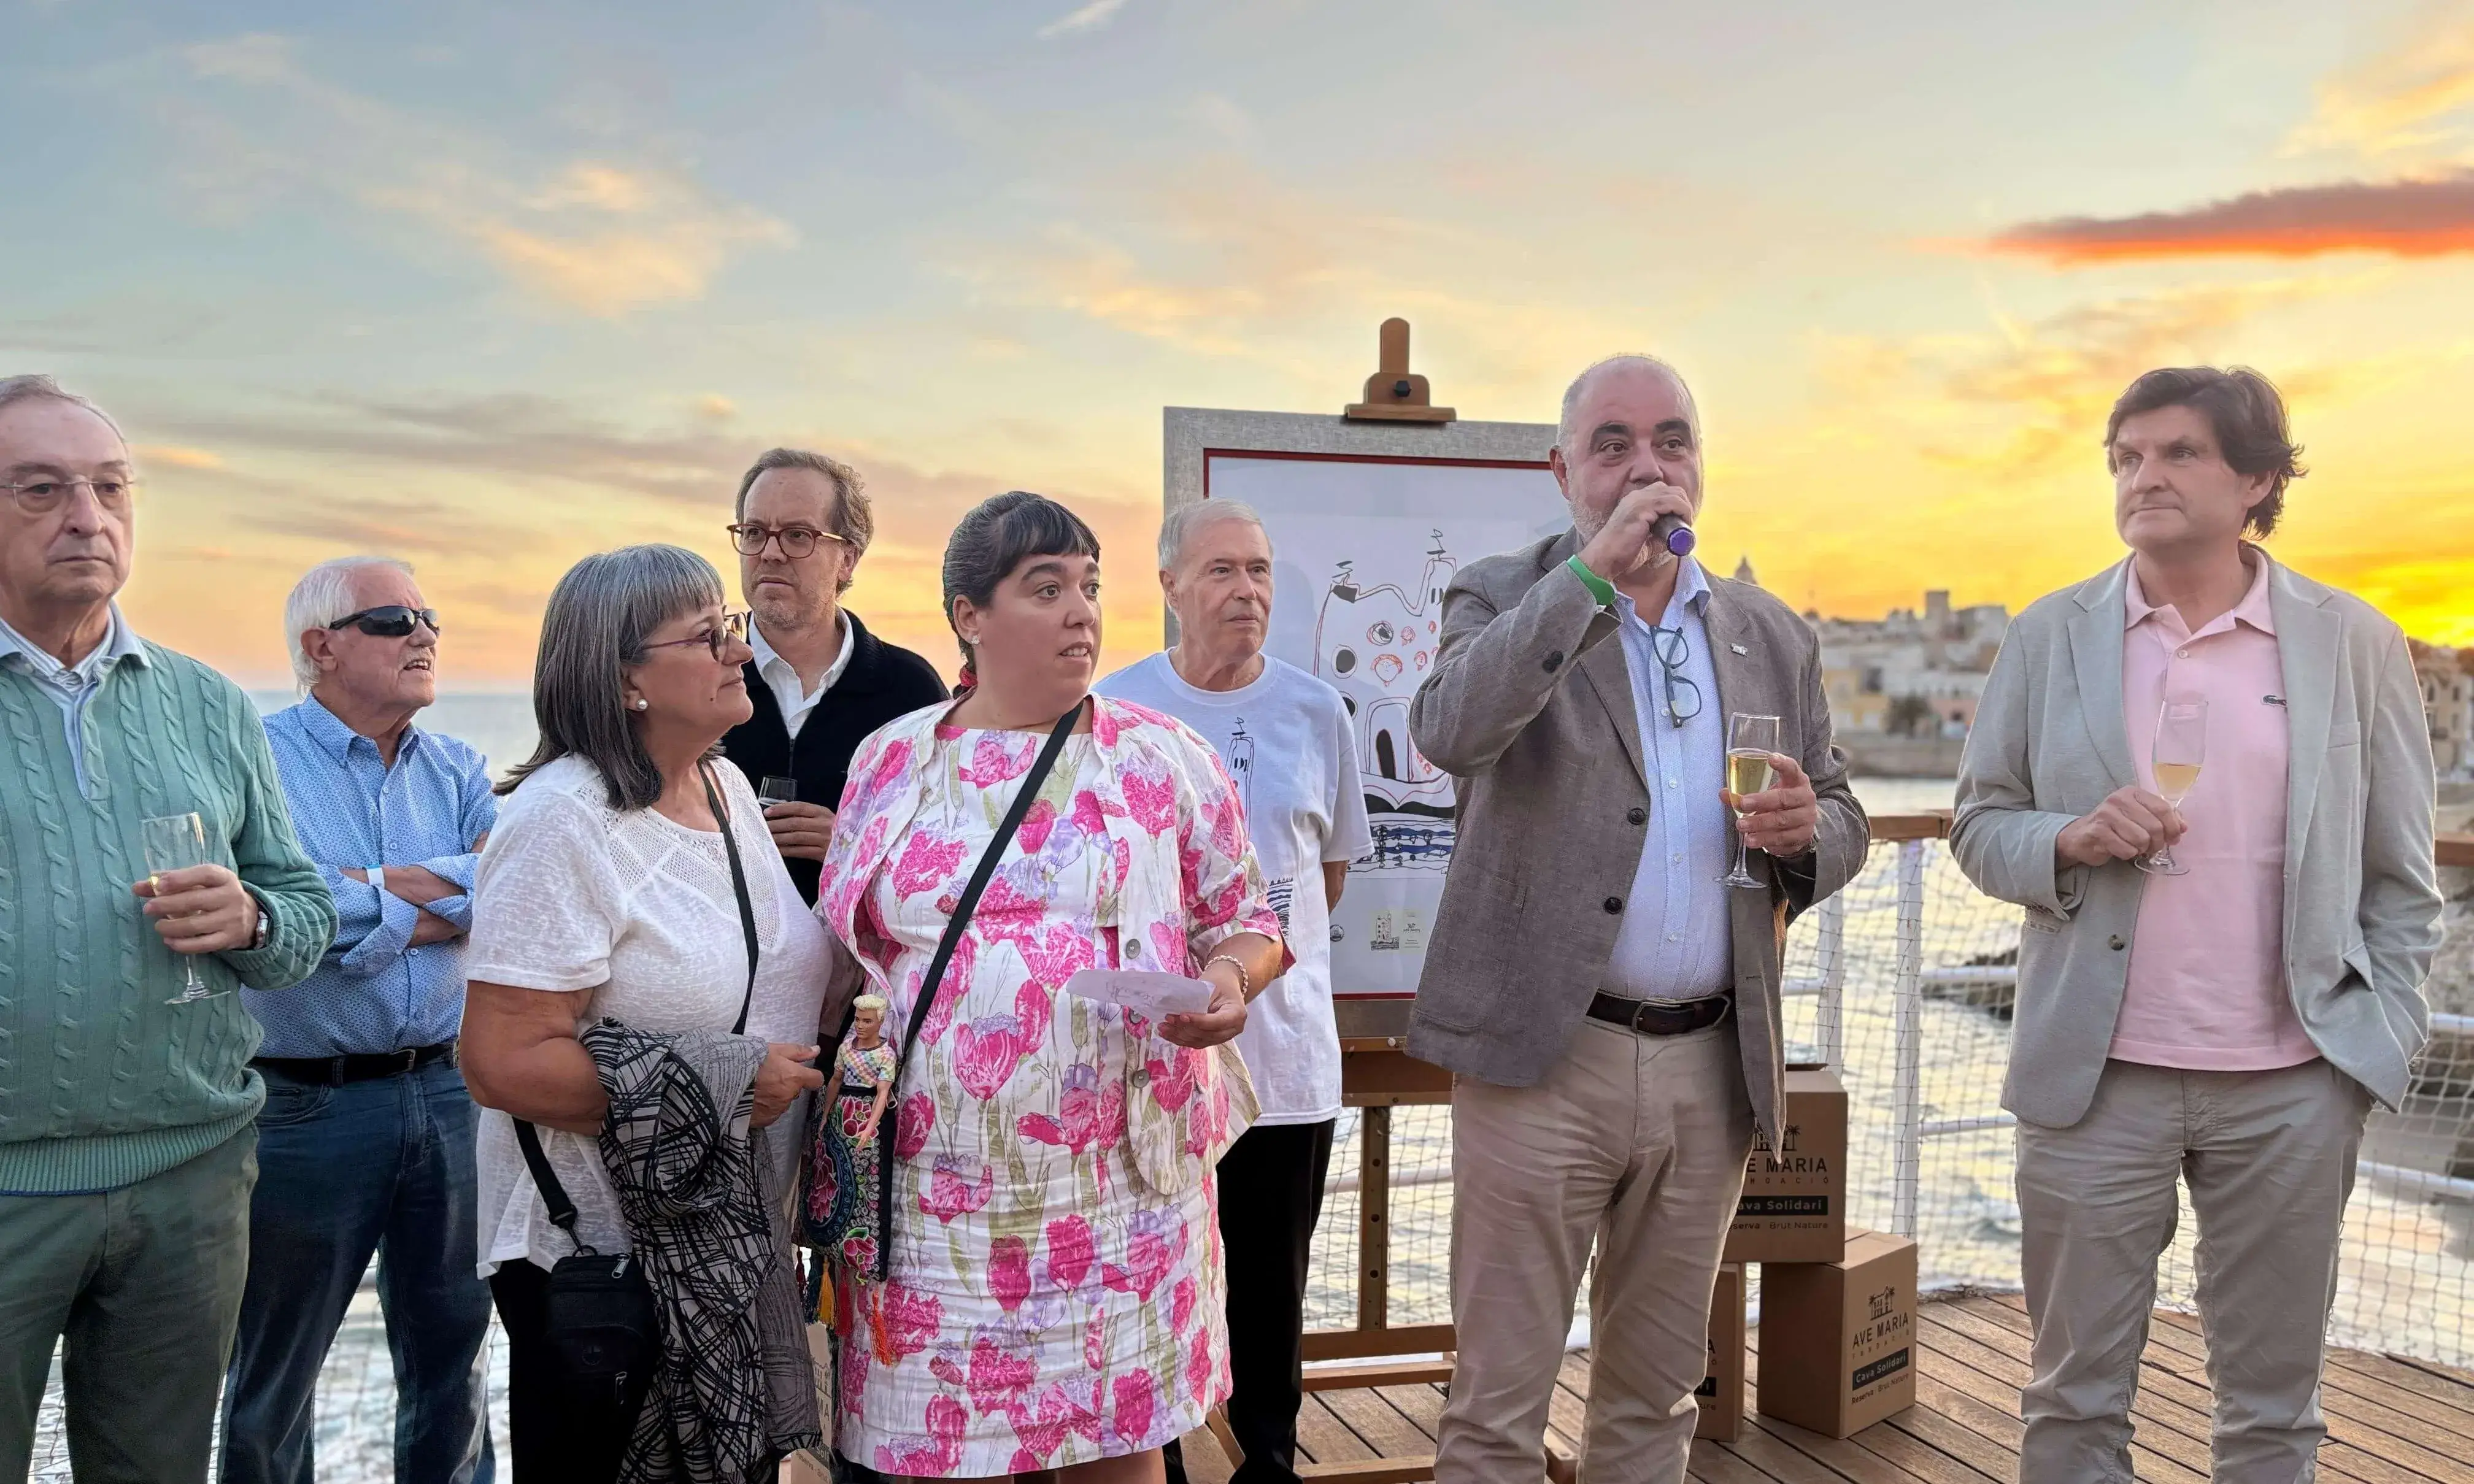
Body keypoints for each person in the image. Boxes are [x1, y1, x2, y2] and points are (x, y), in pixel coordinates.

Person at [1951, 367, 2443, 1481]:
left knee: (2273, 1411)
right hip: (2094, 1082)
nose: (2145, 476)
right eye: (2126, 456)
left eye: (2178, 452)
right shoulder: (2047, 634)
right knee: (2072, 1400)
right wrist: (2070, 837)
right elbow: (1978, 826)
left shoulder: (2357, 641)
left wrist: (2375, 1043)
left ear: (2258, 479)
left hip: (2292, 1085)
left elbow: (2400, 880)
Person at [1406, 356, 1866, 1484]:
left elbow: (1842, 809)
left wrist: (1807, 829)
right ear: (1562, 470)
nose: (1645, 464)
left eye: (1671, 439)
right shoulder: (1501, 592)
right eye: (1612, 443)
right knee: (1495, 1408)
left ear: (1701, 464)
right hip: (1541, 1060)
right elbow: (1450, 728)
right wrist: (1590, 583)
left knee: (1657, 1400)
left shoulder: (1771, 632)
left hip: (1711, 1064)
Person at [812, 490, 1287, 1482]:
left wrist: (1226, 979)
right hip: (935, 1195)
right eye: (1045, 588)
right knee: (949, 1453)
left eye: (1089, 586)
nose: (1081, 611)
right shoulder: (892, 759)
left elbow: (1248, 919)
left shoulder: (1165, 757)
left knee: (1115, 1452)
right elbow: (845, 957)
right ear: (969, 615)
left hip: (1122, 1192)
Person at [0, 374, 336, 1481]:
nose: (85, 516)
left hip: (190, 1179)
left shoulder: (209, 702)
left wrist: (251, 914)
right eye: (40, 488)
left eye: (108, 487)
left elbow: (303, 913)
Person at [458, 544, 838, 1482]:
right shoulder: (561, 821)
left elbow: (776, 968)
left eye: (731, 626)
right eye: (708, 635)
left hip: (725, 1240)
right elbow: (500, 1059)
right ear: (625, 676)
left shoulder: (725, 785)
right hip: (605, 1261)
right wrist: (723, 1087)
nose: (740, 650)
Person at [1095, 499, 1370, 1484]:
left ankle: (1269, 1465)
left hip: (1286, 1065)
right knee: (1150, 1289)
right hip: (1153, 1069)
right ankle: (1159, 1468)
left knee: (1270, 1296)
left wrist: (1247, 963)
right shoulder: (1116, 708)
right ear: (1170, 585)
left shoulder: (1318, 711)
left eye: (1258, 569)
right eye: (1221, 570)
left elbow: (1327, 876)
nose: (1246, 589)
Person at [225, 557, 497, 1484]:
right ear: (321, 646)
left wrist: (353, 890)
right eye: (393, 620)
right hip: (305, 1107)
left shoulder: (458, 764)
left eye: (429, 616)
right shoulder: (257, 761)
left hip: (451, 1089)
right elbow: (281, 911)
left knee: (457, 1363)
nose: (424, 633)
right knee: (275, 1378)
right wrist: (436, 898)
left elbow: (503, 888)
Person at [720, 448, 948, 904]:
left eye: (797, 536)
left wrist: (853, 849)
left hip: (854, 950)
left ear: (848, 559)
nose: (770, 553)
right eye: (754, 532)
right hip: (712, 947)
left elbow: (950, 855)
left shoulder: (910, 690)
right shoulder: (702, 676)